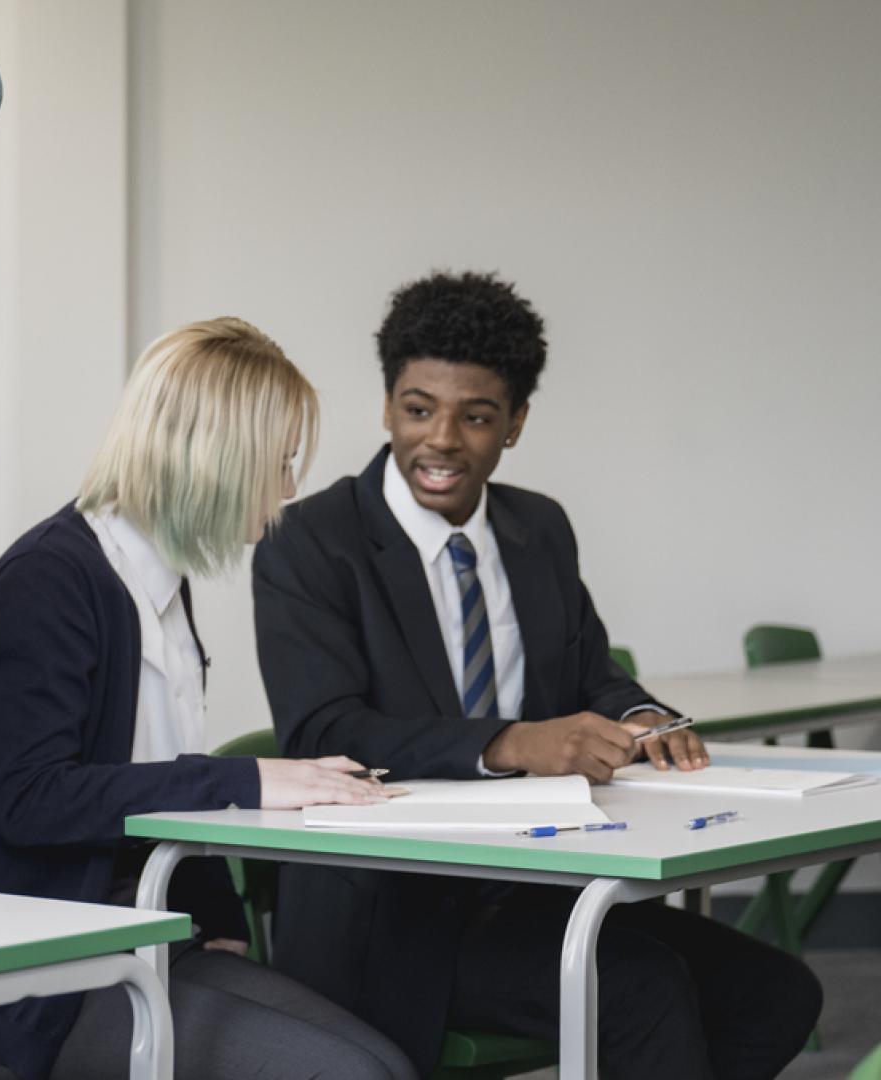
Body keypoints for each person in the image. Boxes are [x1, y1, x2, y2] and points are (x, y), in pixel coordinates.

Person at [251, 271, 822, 1077]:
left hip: (543, 883)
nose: (442, 439)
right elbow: (323, 732)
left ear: (515, 424)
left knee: (777, 990)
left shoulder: (538, 528)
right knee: (644, 991)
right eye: (418, 409)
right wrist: (513, 742)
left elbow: (596, 678)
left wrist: (647, 719)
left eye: (476, 416)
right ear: (387, 407)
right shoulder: (311, 543)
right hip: (397, 912)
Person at [0, 318, 416, 1080]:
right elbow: (32, 798)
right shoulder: (49, 583)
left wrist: (219, 917)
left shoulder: (160, 580)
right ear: (213, 460)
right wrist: (247, 778)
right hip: (34, 982)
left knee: (390, 1061)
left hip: (144, 940)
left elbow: (158, 774)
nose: (289, 491)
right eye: (277, 465)